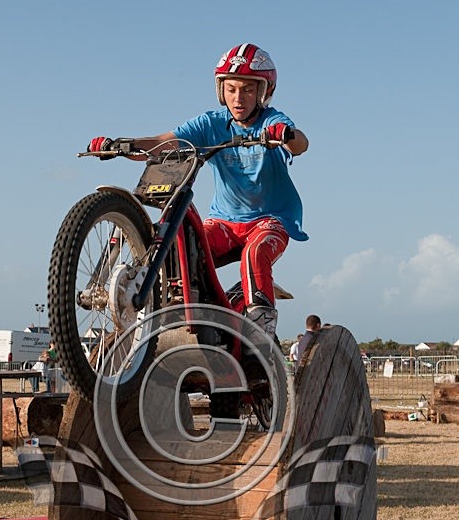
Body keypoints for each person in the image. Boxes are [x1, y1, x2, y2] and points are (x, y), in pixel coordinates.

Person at [88, 43, 309, 342]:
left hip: (270, 221)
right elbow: (165, 141)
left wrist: (284, 136)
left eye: (247, 89)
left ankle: (261, 334)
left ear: (263, 92)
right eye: (231, 89)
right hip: (224, 221)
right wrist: (122, 145)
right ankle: (203, 315)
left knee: (255, 253)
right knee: (185, 250)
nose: (238, 98)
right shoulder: (211, 124)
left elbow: (300, 143)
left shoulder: (271, 120)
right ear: (221, 91)